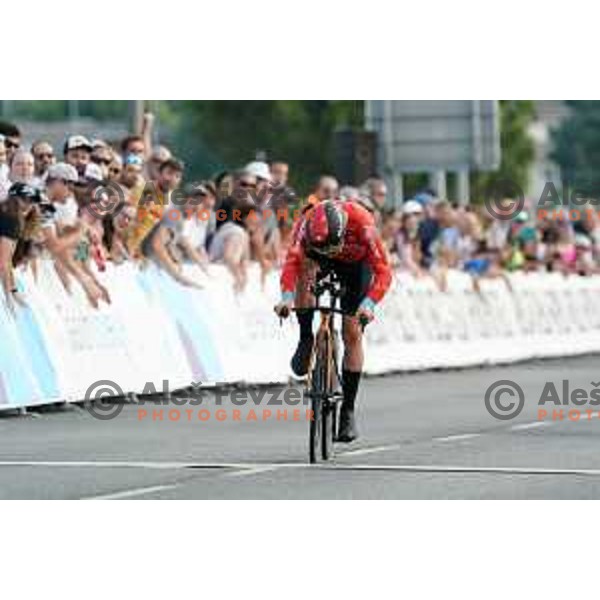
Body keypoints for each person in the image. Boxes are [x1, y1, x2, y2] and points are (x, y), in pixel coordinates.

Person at [274, 199, 392, 442]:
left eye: (333, 246)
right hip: (317, 261)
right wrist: (286, 298)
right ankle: (306, 338)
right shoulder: (304, 224)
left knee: (352, 332)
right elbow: (290, 265)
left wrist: (368, 305)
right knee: (305, 268)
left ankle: (347, 411)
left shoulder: (363, 223)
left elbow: (383, 271)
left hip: (355, 265)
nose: (332, 252)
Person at [0, 182, 42, 311]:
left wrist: (12, 290)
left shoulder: (10, 216)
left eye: (32, 201)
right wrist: (10, 294)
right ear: (12, 198)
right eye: (24, 199)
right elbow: (4, 261)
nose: (28, 205)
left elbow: (6, 261)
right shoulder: (10, 219)